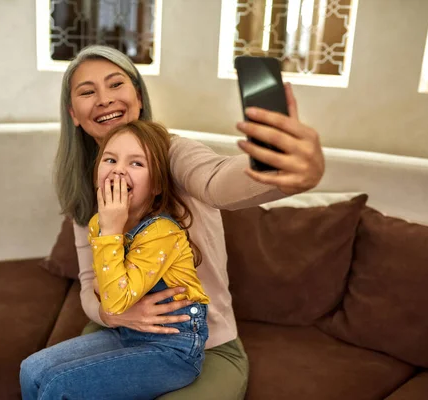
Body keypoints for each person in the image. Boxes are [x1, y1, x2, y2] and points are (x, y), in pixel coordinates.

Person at [24, 45, 325, 399]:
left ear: (137, 96)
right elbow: (91, 282)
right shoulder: (90, 183)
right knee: (42, 377)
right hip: (120, 330)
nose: (104, 99)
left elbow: (216, 182)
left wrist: (278, 171)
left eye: (115, 84)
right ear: (75, 113)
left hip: (204, 346)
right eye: (88, 92)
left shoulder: (175, 154)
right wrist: (112, 315)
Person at [20, 120, 211, 399]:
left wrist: (111, 232)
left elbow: (114, 300)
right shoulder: (100, 223)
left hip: (174, 349)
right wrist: (109, 231)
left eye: (136, 163)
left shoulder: (161, 232)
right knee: (31, 369)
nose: (119, 169)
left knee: (57, 384)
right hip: (127, 332)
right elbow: (101, 287)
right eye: (110, 159)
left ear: (157, 184)